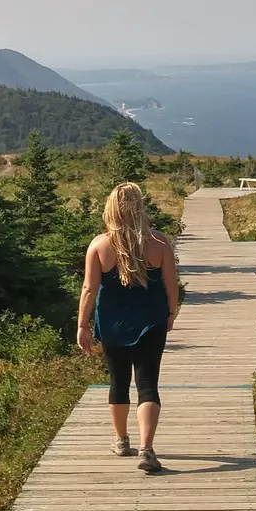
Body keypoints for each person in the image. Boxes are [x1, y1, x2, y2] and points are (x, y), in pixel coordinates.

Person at [76, 182, 181, 473]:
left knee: (118, 382)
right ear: (140, 207)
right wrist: (171, 312)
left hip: (112, 325)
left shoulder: (99, 245)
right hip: (151, 322)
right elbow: (171, 283)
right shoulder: (159, 243)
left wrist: (82, 325)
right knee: (147, 384)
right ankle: (147, 449)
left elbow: (89, 289)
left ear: (110, 209)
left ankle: (121, 440)